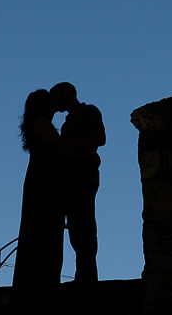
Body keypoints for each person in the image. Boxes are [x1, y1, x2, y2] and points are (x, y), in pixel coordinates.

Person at [12, 89, 98, 288]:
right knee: (46, 233)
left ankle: (40, 281)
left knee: (43, 232)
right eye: (50, 98)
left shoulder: (45, 124)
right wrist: (88, 156)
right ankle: (43, 282)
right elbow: (59, 150)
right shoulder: (42, 124)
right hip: (44, 184)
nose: (55, 100)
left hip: (44, 182)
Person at [50, 82, 106, 285]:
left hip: (84, 178)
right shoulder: (66, 124)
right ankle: (83, 275)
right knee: (76, 230)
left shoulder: (89, 111)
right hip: (70, 180)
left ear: (66, 91)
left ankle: (88, 277)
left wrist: (68, 145)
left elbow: (100, 138)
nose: (54, 101)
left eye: (55, 95)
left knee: (84, 228)